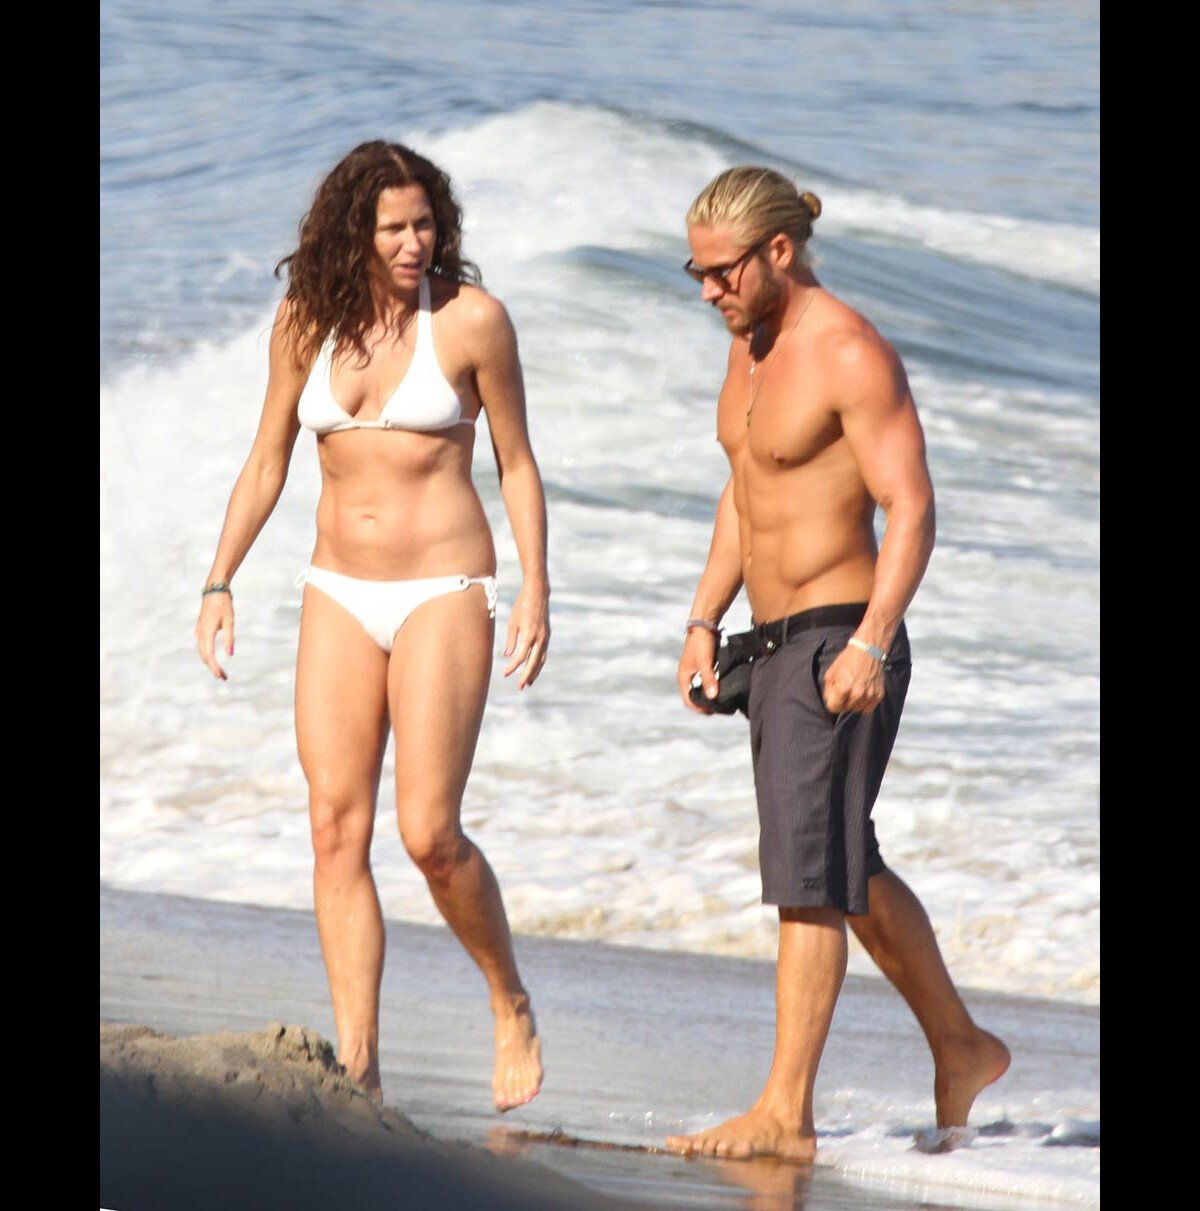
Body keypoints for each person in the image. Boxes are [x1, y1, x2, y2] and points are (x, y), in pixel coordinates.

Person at [194, 141, 549, 1112]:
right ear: (354, 228)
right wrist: (219, 577)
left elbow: (515, 461)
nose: (411, 241)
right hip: (337, 588)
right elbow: (267, 457)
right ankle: (362, 1065)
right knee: (332, 826)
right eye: (393, 225)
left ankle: (507, 995)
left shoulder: (471, 321)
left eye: (425, 222)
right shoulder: (306, 322)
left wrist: (535, 586)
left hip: (444, 584)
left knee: (429, 831)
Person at [667, 167, 1010, 1163]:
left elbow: (911, 503)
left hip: (840, 634)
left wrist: (871, 638)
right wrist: (703, 617)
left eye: (721, 271)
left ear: (780, 252)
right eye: (695, 270)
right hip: (772, 640)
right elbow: (746, 486)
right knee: (839, 856)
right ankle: (962, 1042)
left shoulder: (847, 349)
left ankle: (785, 1110)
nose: (707, 291)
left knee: (808, 878)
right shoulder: (747, 348)